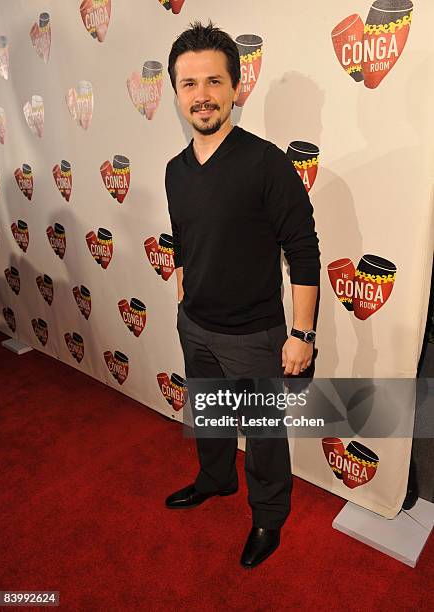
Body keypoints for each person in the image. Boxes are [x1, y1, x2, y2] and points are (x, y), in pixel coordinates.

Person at [164, 21, 320, 568]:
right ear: (176, 92)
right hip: (196, 326)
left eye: (213, 81)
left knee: (264, 439)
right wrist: (186, 300)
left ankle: (268, 516)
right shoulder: (174, 171)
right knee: (207, 417)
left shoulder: (267, 162)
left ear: (235, 88)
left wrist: (301, 334)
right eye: (188, 84)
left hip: (255, 336)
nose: (201, 95)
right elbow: (183, 241)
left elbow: (302, 250)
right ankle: (214, 480)